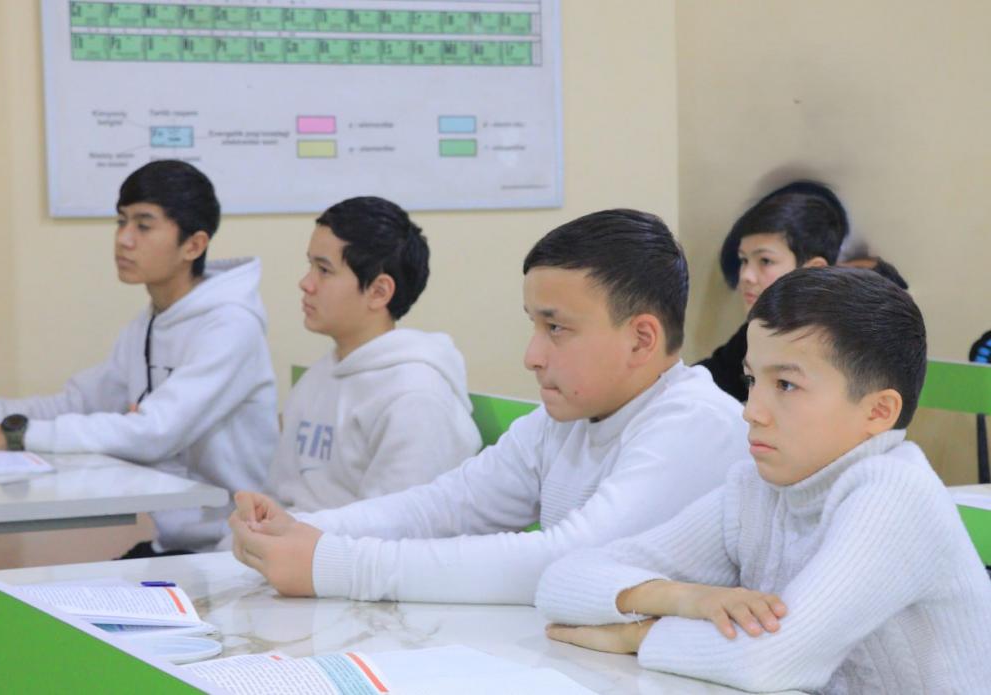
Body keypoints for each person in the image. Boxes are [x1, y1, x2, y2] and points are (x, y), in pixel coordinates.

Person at [228, 209, 748, 604]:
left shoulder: (693, 424)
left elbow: (567, 560)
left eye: (556, 328)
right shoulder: (563, 419)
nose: (532, 356)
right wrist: (309, 530)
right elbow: (449, 505)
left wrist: (334, 565)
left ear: (641, 339)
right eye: (534, 325)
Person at [537, 267, 991, 694]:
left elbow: (770, 660)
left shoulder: (894, 493)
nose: (752, 410)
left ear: (878, 411)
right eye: (752, 379)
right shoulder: (758, 488)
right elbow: (562, 581)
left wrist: (639, 636)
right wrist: (685, 598)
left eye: (786, 385)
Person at [0, 160, 278, 555]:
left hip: (231, 548)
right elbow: (79, 402)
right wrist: (0, 416)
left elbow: (154, 433)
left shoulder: (231, 326)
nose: (123, 239)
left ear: (193, 245)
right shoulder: (152, 319)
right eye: (121, 221)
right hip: (174, 542)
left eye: (143, 225)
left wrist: (15, 436)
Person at [268, 196, 481, 514]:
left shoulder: (416, 398)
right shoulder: (320, 375)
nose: (305, 283)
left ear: (379, 292)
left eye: (324, 270)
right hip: (285, 540)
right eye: (310, 265)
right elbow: (279, 495)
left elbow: (396, 528)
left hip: (334, 546)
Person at [697, 181, 848, 400]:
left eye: (765, 261)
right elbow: (707, 381)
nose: (746, 276)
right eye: (744, 260)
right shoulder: (758, 331)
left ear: (813, 270)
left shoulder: (839, 344)